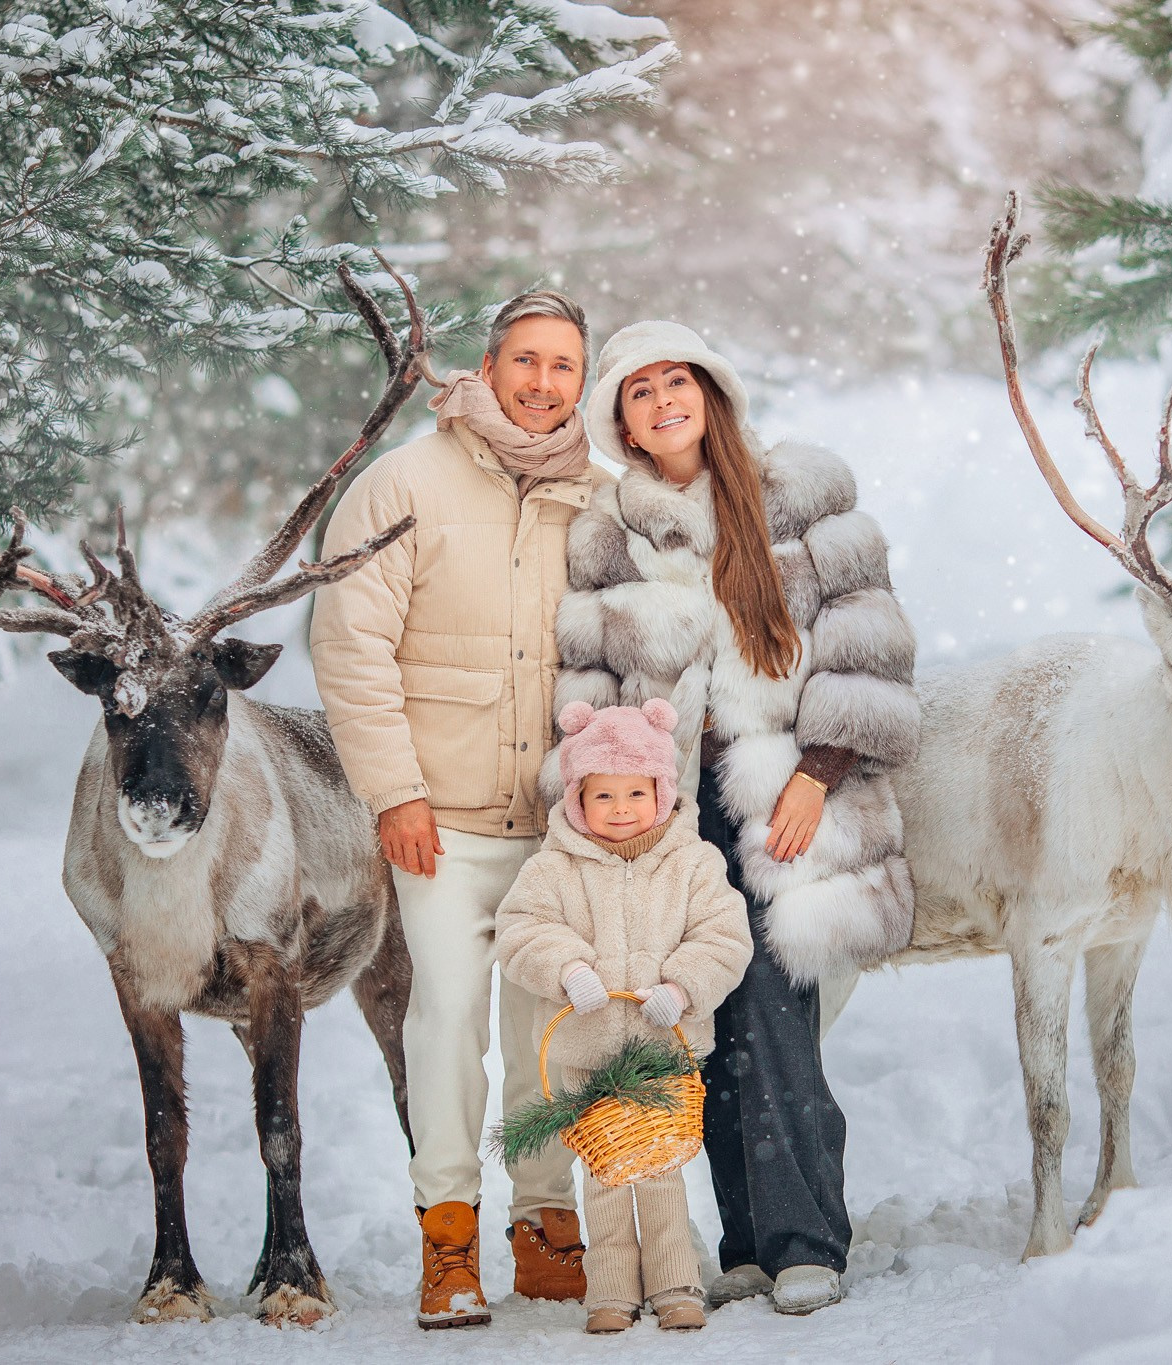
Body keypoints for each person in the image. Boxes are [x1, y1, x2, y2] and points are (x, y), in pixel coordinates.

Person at [551, 321, 919, 1316]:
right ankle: (748, 1244)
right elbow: (584, 685)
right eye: (638, 391)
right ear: (619, 421)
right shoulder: (605, 537)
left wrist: (816, 770)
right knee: (693, 1024)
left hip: (782, 800)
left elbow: (867, 647)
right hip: (661, 817)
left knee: (768, 1016)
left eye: (679, 380)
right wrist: (607, 804)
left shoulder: (801, 495)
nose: (663, 399)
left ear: (711, 390)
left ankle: (807, 1241)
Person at [308, 289, 610, 1329]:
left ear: (583, 378)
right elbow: (350, 646)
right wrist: (393, 791)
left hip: (564, 828)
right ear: (487, 367)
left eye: (562, 365)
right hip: (442, 822)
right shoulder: (404, 484)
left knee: (546, 1033)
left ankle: (543, 1228)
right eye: (523, 360)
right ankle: (447, 1241)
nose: (541, 382)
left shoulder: (600, 497)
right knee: (443, 1025)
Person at [495, 699, 752, 1334]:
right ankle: (609, 1291)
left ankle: (674, 1283)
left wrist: (684, 986)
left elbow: (725, 937)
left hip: (663, 1050)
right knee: (607, 1176)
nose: (620, 808)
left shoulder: (694, 864)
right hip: (586, 1051)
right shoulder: (552, 868)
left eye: (636, 791)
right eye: (602, 795)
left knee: (660, 1172)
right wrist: (567, 968)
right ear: (577, 797)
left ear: (662, 791)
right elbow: (520, 931)